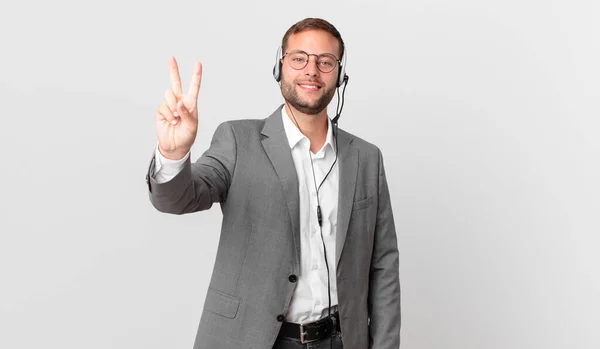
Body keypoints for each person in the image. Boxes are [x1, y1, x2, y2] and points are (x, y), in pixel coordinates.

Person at [145, 18, 400, 349]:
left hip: (340, 340)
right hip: (253, 340)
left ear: (340, 75)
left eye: (325, 62)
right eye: (299, 58)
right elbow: (178, 200)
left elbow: (384, 267)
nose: (312, 70)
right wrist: (173, 152)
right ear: (280, 67)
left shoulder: (366, 158)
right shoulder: (238, 140)